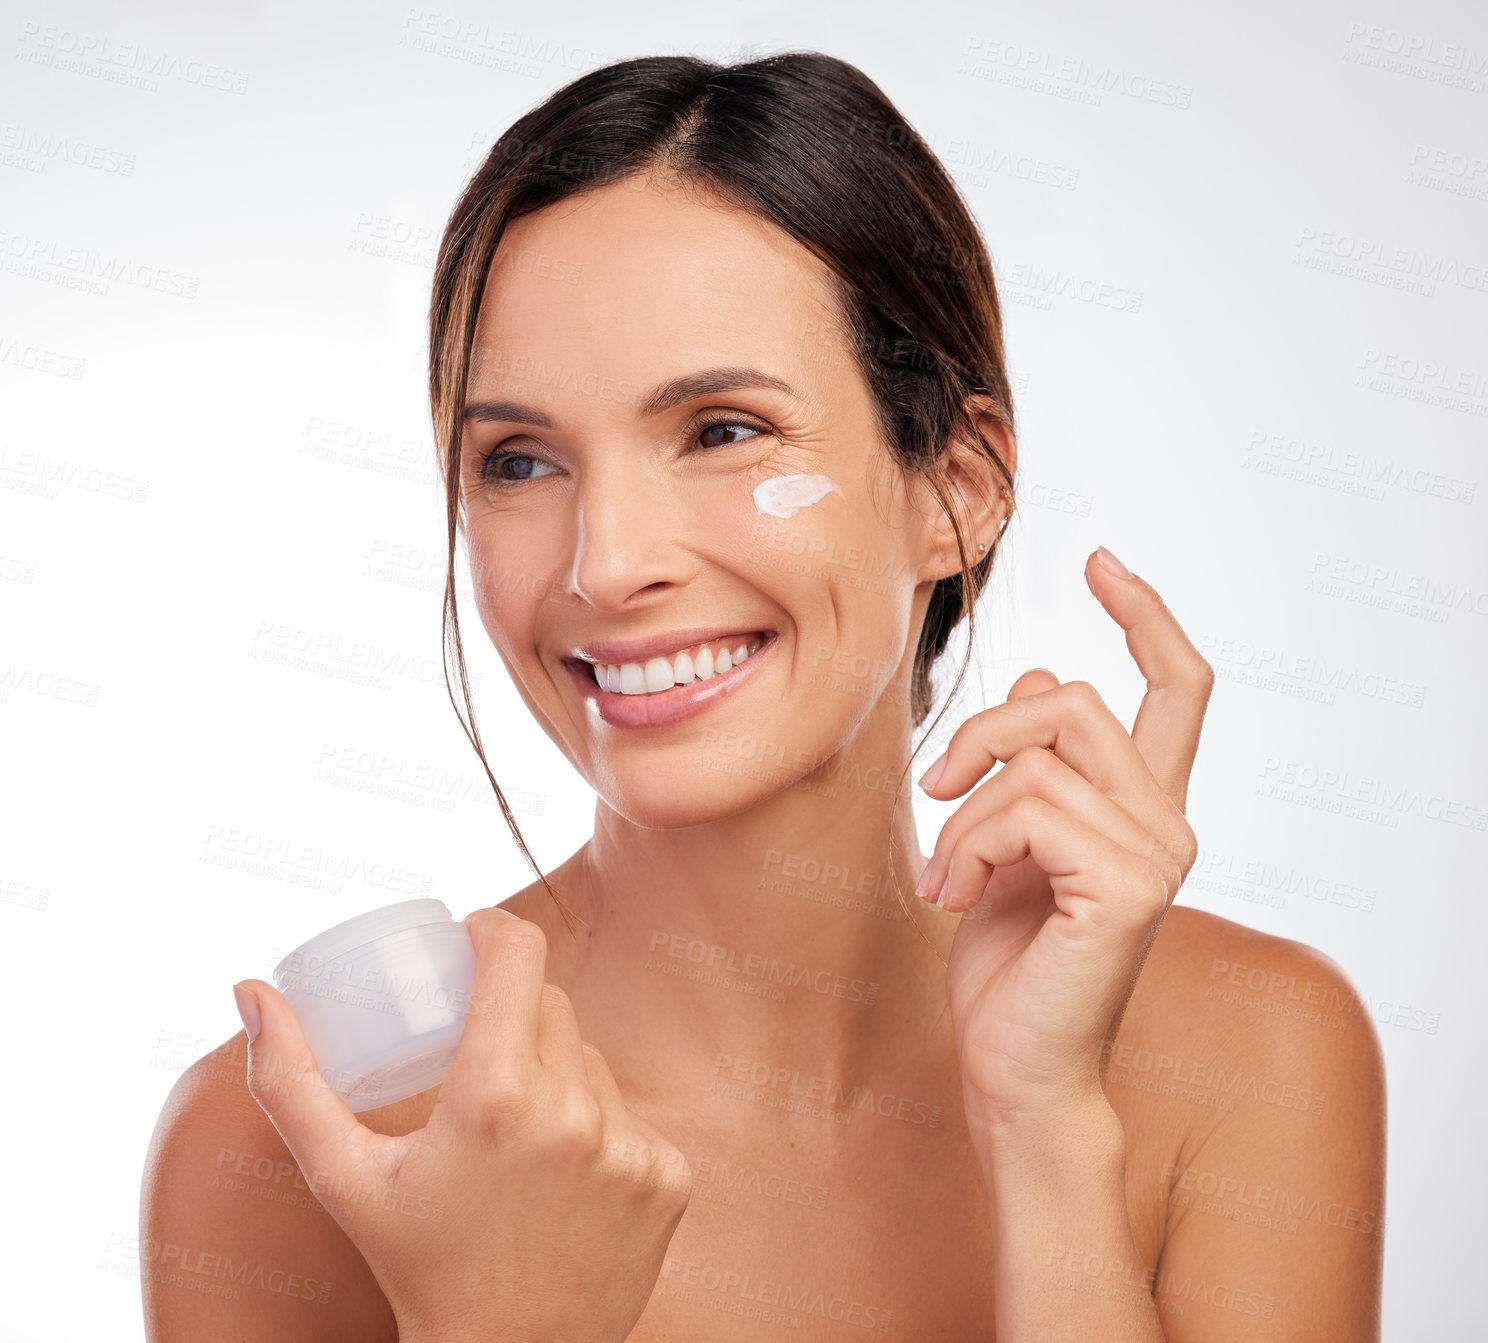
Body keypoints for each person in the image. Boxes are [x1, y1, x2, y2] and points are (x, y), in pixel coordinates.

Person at [141, 51, 1386, 1341]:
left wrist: (1049, 1132)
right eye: (518, 459)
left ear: (958, 487)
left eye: (723, 430)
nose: (608, 563)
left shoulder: (1249, 1060)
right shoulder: (310, 1143)